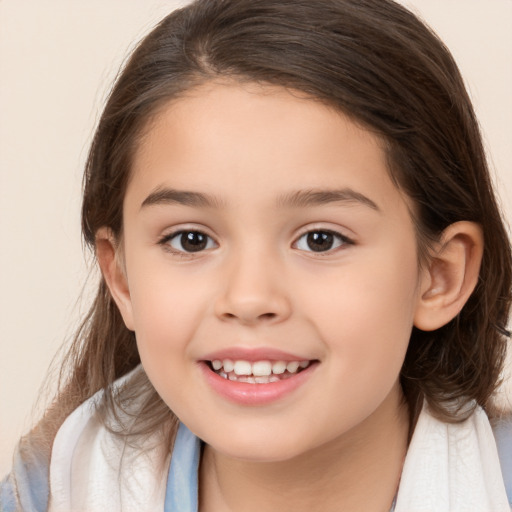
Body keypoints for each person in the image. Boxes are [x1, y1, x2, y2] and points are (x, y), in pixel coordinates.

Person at [2, 0, 511, 510]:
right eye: (191, 239)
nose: (249, 298)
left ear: (439, 276)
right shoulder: (50, 493)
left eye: (320, 239)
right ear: (123, 278)